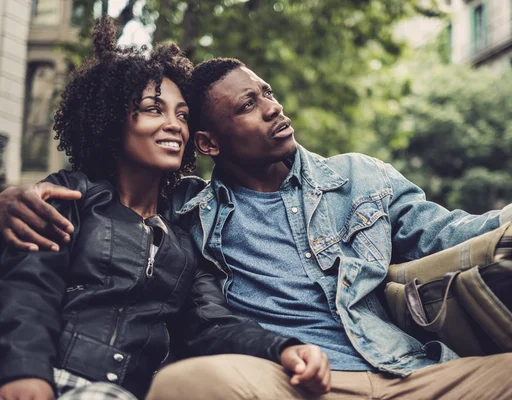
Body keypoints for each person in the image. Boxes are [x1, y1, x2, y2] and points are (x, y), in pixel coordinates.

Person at [1, 57, 512, 399]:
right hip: (298, 384)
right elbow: (103, 223)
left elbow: (454, 232)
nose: (273, 108)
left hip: (413, 374)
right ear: (209, 144)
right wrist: (7, 200)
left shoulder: (362, 179)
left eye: (269, 93)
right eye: (248, 106)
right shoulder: (188, 213)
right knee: (192, 383)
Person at [0, 24, 330, 400]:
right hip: (50, 381)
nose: (174, 124)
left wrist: (284, 348)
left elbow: (211, 324)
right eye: (153, 109)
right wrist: (24, 372)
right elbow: (28, 291)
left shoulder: (185, 236)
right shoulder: (69, 196)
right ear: (112, 121)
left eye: (183, 115)